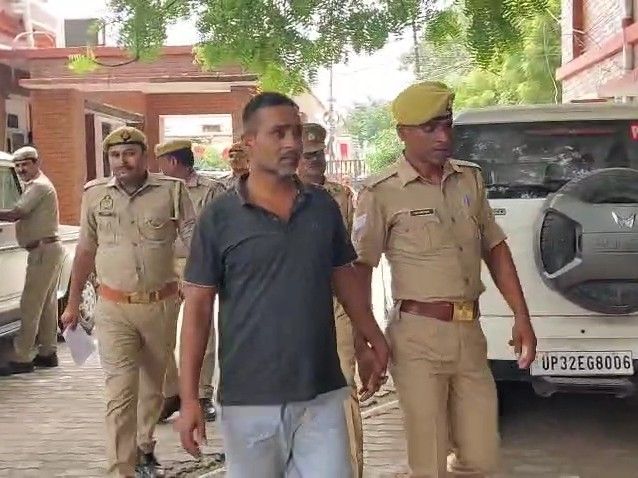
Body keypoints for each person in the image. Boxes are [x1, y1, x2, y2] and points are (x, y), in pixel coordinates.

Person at [175, 92, 390, 478]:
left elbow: (345, 280)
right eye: (278, 133)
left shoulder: (322, 207)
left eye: (296, 132)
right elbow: (198, 310)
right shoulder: (219, 217)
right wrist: (189, 398)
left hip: (321, 394)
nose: (292, 143)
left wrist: (373, 338)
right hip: (250, 401)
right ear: (250, 141)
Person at [352, 81, 537, 478]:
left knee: (481, 457)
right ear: (403, 133)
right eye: (430, 128)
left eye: (447, 125)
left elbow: (495, 248)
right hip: (417, 338)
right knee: (429, 461)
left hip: (470, 335)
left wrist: (521, 315)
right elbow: (360, 271)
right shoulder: (381, 192)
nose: (443, 137)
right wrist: (364, 341)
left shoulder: (469, 179)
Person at [60, 126, 196, 478]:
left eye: (130, 153)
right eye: (115, 155)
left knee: (152, 389)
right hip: (113, 308)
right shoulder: (94, 195)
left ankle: (143, 446)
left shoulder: (172, 191)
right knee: (120, 392)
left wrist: (202, 288)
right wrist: (72, 304)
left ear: (144, 156)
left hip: (160, 305)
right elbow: (85, 250)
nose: (122, 161)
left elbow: (194, 241)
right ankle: (120, 469)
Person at [297, 122, 363, 478]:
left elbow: (353, 256)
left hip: (337, 302)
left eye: (319, 155)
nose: (315, 162)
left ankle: (352, 470)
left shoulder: (342, 197)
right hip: (293, 306)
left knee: (344, 387)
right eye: (308, 156)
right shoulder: (279, 195)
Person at [155, 139, 224, 423]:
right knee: (161, 329)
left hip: (199, 264)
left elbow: (221, 228)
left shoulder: (211, 190)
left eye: (162, 162)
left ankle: (203, 394)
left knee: (201, 328)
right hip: (164, 266)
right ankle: (171, 392)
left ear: (172, 162)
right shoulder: (158, 190)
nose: (159, 167)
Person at [0, 146, 64, 376]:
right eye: (17, 166)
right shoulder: (37, 185)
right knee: (46, 305)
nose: (20, 169)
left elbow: (16, 213)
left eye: (25, 164)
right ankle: (47, 352)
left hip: (42, 250)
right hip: (47, 248)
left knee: (30, 304)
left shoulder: (38, 186)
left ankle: (23, 356)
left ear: (36, 163)